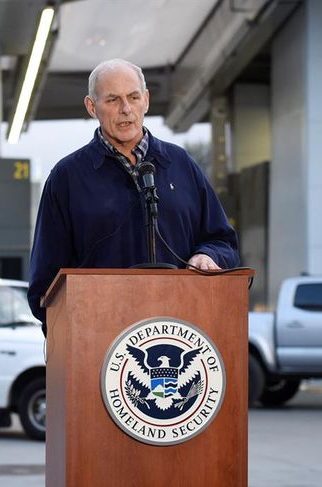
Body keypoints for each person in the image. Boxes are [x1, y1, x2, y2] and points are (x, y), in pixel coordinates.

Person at [27, 58, 239, 333]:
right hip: (98, 340)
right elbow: (45, 284)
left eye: (133, 97)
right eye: (113, 100)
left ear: (146, 100)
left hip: (182, 333)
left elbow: (224, 242)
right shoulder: (66, 178)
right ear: (92, 107)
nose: (126, 109)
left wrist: (208, 256)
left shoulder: (181, 164)